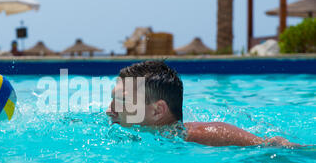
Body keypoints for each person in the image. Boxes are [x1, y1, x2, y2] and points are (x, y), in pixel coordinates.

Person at [106, 61, 300, 147]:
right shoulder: (130, 131)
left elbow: (274, 146)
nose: (109, 110)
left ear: (158, 111)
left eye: (122, 101)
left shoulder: (207, 135)